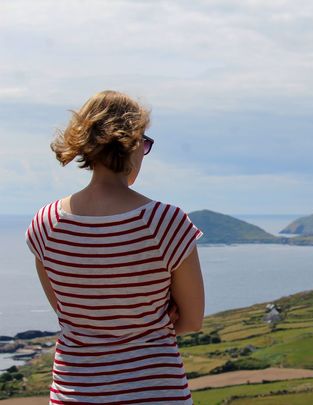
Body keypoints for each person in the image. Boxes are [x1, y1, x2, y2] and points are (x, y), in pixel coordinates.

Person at [24, 90, 204, 404]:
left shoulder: (46, 224)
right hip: (157, 394)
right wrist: (157, 316)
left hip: (75, 394)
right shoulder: (166, 223)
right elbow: (192, 320)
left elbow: (68, 312)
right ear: (133, 142)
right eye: (144, 143)